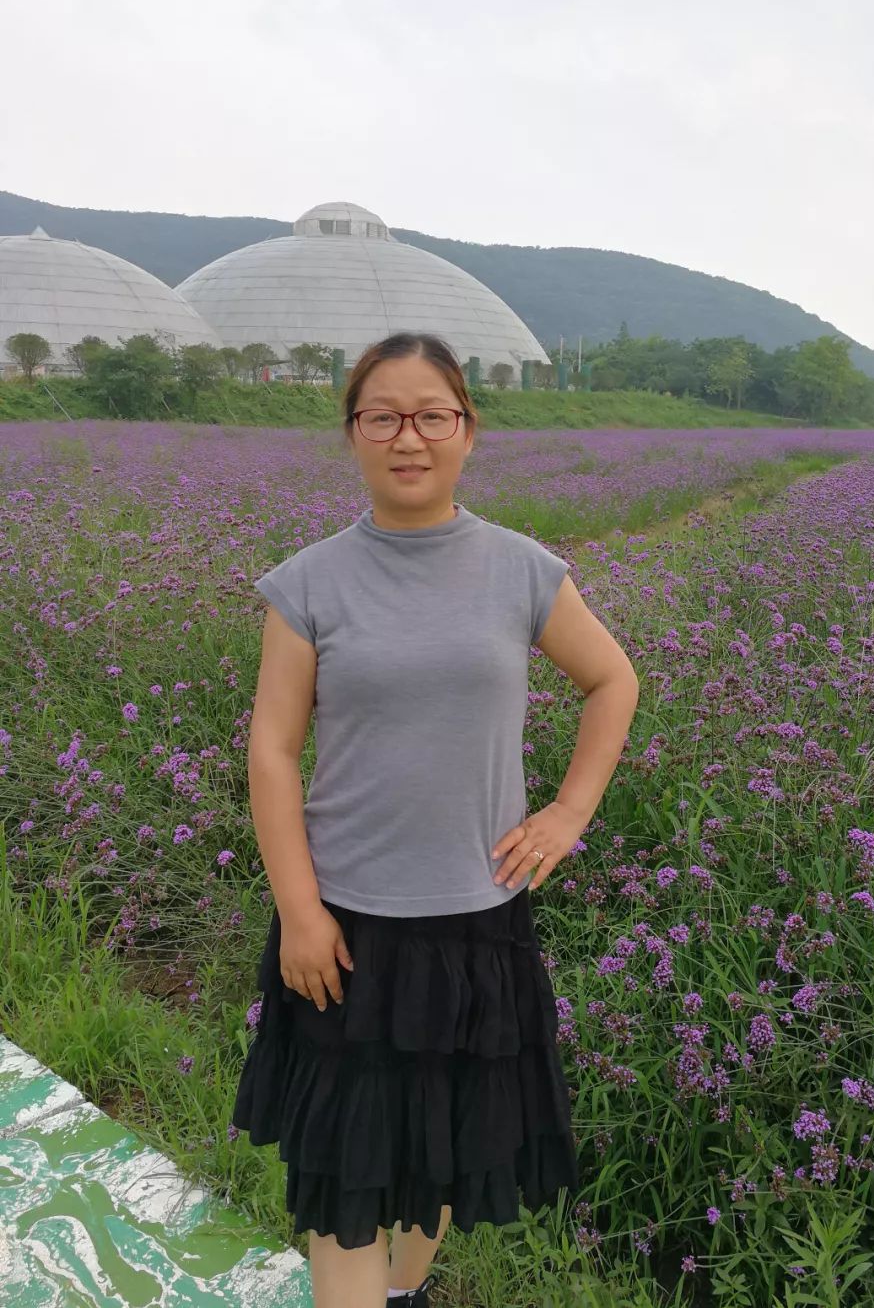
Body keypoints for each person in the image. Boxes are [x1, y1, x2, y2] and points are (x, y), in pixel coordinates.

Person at [230, 332, 641, 1308]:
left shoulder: (522, 569)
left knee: (439, 1156)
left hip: (476, 920)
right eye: (382, 415)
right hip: (346, 927)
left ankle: (405, 1294)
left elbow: (611, 677)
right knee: (346, 1182)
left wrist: (570, 810)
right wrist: (298, 908)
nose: (407, 437)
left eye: (431, 415)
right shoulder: (307, 585)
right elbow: (272, 751)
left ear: (468, 430)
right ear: (353, 433)